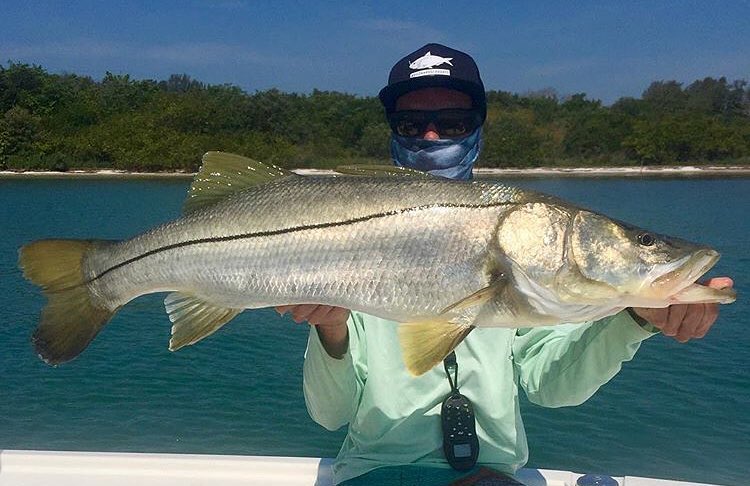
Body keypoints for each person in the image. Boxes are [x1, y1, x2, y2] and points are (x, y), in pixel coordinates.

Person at [276, 43, 734, 485]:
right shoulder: (347, 236)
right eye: (411, 124)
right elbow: (330, 415)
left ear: (478, 130)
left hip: (490, 477)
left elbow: (553, 386)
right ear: (392, 132)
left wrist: (633, 318)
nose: (431, 136)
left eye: (453, 122)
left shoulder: (533, 277)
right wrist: (330, 330)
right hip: (372, 473)